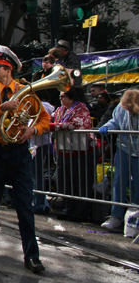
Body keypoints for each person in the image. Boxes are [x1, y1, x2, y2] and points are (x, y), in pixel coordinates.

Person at [0, 46, 49, 273]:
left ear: (8, 68)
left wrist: (32, 131)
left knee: (25, 203)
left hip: (18, 151)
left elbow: (43, 118)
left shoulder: (26, 91)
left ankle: (32, 255)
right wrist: (1, 109)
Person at [50, 85, 94, 222]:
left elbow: (75, 124)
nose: (61, 99)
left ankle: (79, 212)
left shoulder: (81, 108)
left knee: (80, 182)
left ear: (71, 97)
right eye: (60, 96)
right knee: (64, 182)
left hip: (80, 152)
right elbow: (51, 119)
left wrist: (51, 127)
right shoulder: (60, 110)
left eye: (63, 96)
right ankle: (67, 209)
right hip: (63, 151)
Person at [98, 89, 139, 231]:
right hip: (124, 149)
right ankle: (116, 216)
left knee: (137, 185)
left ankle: (134, 217)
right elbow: (115, 121)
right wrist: (106, 127)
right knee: (119, 182)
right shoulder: (120, 108)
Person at [31, 101, 56, 214]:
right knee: (33, 175)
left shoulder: (43, 106)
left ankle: (40, 203)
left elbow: (41, 122)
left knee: (37, 175)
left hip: (39, 144)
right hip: (33, 143)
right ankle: (39, 202)